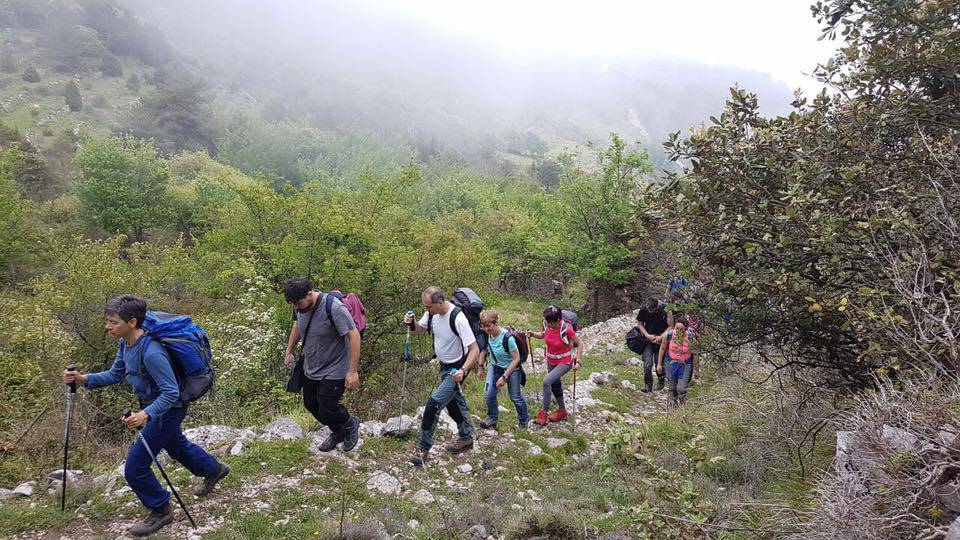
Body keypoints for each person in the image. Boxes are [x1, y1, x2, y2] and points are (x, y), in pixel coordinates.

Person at [62, 295, 229, 537]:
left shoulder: (151, 352)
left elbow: (171, 392)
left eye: (113, 322)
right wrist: (84, 379)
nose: (107, 326)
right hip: (154, 407)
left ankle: (161, 510)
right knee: (177, 447)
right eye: (107, 321)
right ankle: (214, 470)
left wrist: (145, 415)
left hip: (168, 410)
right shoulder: (126, 344)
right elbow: (115, 374)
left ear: (132, 322)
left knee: (135, 467)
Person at [283, 278, 362, 453]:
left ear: (310, 294)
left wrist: (352, 371)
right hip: (311, 365)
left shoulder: (333, 307)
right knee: (311, 404)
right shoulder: (298, 305)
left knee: (327, 407)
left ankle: (350, 423)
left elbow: (354, 335)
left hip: (335, 367)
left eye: (298, 303)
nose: (296, 307)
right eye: (293, 304)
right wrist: (289, 350)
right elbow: (297, 325)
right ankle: (338, 432)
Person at [403, 287, 480, 466]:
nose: (427, 310)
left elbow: (474, 349)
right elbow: (421, 329)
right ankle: (466, 438)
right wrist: (411, 322)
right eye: (425, 306)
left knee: (433, 404)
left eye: (429, 306)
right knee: (453, 405)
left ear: (440, 302)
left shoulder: (458, 318)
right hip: (444, 366)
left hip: (457, 369)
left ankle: (423, 448)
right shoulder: (432, 314)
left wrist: (463, 370)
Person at [526, 305, 582, 426]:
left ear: (558, 320)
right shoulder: (546, 324)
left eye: (550, 322)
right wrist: (533, 334)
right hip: (551, 360)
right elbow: (543, 335)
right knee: (556, 385)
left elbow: (580, 343)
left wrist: (578, 361)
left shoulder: (566, 329)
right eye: (547, 321)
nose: (548, 324)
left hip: (565, 361)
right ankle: (562, 411)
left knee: (547, 382)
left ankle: (544, 414)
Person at [476, 310, 529, 429]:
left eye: (488, 326)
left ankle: (524, 419)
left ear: (496, 323)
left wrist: (505, 377)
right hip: (495, 367)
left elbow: (516, 359)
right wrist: (480, 367)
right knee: (489, 394)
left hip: (512, 369)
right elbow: (484, 350)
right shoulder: (486, 335)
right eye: (484, 326)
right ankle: (492, 418)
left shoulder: (507, 338)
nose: (486, 329)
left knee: (515, 396)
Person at [656, 317, 700, 410]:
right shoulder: (668, 335)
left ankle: (682, 402)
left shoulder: (691, 338)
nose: (678, 331)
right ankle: (672, 407)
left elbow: (696, 354)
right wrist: (659, 364)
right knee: (672, 387)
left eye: (681, 329)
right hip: (671, 362)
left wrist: (696, 370)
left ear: (686, 329)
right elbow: (663, 348)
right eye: (677, 328)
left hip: (685, 364)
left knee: (681, 388)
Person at [635, 297, 670, 392]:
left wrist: (661, 337)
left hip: (661, 340)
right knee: (647, 364)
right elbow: (639, 323)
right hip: (648, 340)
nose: (649, 311)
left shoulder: (665, 311)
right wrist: (647, 335)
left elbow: (671, 326)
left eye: (651, 309)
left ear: (656, 307)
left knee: (659, 363)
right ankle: (648, 385)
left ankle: (661, 380)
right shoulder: (643, 310)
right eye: (648, 309)